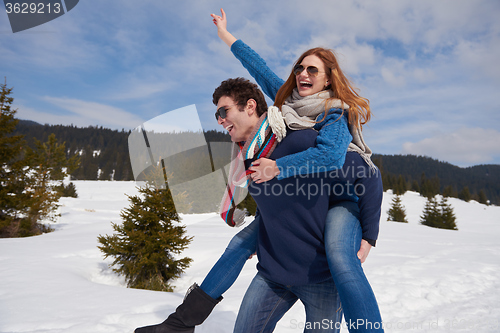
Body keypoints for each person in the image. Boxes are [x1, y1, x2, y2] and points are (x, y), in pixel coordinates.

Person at [134, 8, 384, 333]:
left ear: (327, 78)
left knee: (341, 258)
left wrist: (369, 234)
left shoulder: (333, 115)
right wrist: (226, 35)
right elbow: (257, 66)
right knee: (240, 244)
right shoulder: (285, 106)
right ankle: (180, 324)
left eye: (312, 69)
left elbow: (344, 164)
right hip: (277, 265)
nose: (302, 73)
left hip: (339, 205)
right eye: (299, 68)